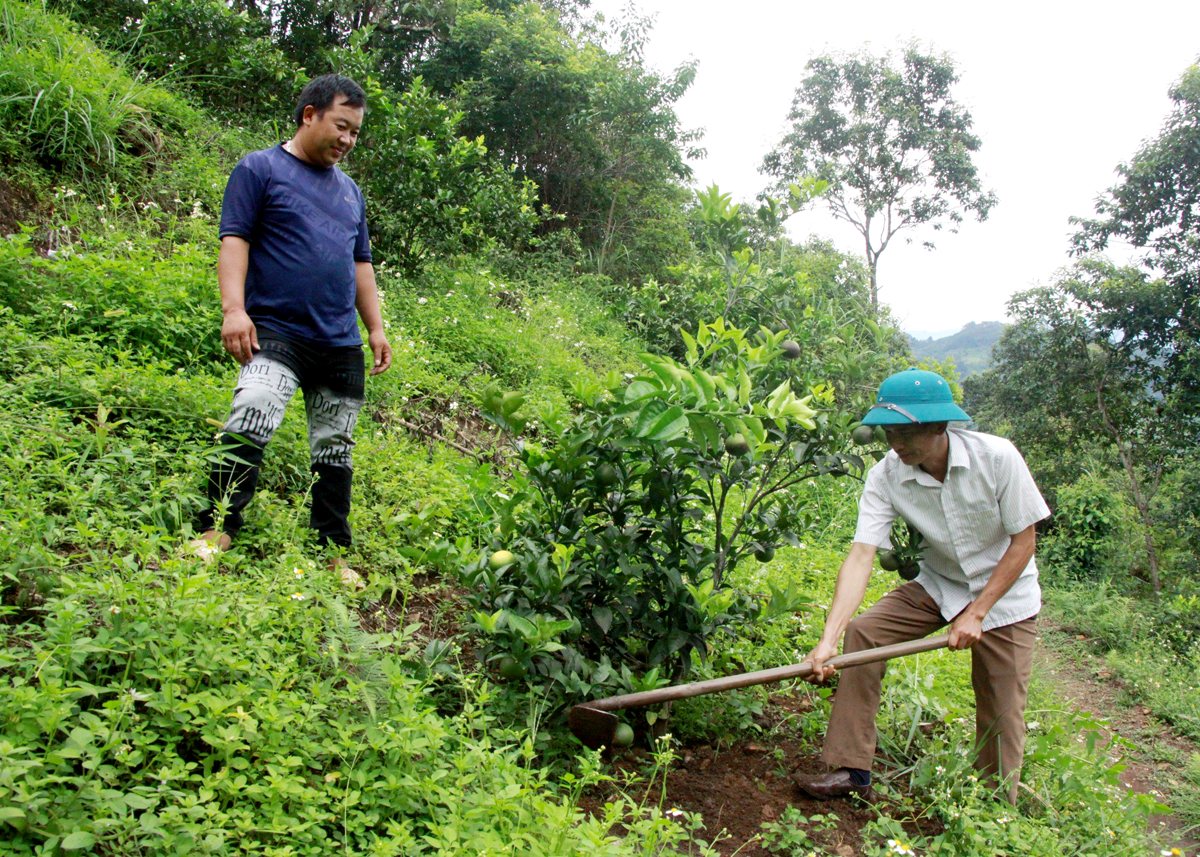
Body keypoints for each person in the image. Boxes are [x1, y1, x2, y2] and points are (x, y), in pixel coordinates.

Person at [792, 368, 1050, 805]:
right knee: (864, 634)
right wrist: (828, 639)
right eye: (889, 431)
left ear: (938, 426)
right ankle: (851, 768)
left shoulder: (998, 458)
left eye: (906, 432)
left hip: (1006, 598)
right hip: (941, 583)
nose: (895, 443)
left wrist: (978, 612)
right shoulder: (885, 476)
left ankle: (992, 804)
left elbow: (1024, 542)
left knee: (1002, 706)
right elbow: (861, 555)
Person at [187, 74, 392, 586]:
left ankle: (332, 552)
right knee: (252, 411)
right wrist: (234, 309)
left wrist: (376, 328)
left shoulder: (351, 193)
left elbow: (361, 265)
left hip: (339, 340)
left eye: (355, 133)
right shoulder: (260, 169)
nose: (347, 140)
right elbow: (235, 240)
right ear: (309, 114)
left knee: (335, 448)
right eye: (341, 126)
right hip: (276, 331)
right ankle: (217, 529)